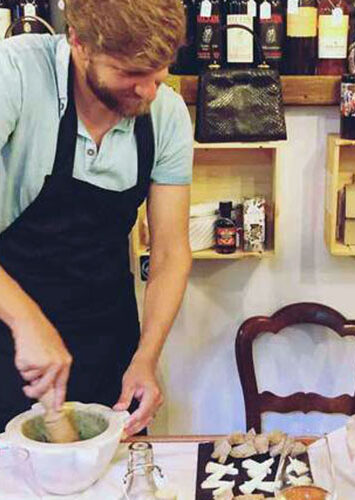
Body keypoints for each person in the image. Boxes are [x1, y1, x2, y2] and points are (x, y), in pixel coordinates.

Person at [0, 0, 193, 436]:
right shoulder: (15, 77)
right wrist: (28, 321)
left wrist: (146, 357)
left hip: (107, 333)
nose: (147, 92)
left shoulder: (166, 114)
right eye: (129, 74)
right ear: (79, 42)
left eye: (157, 75)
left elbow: (170, 252)